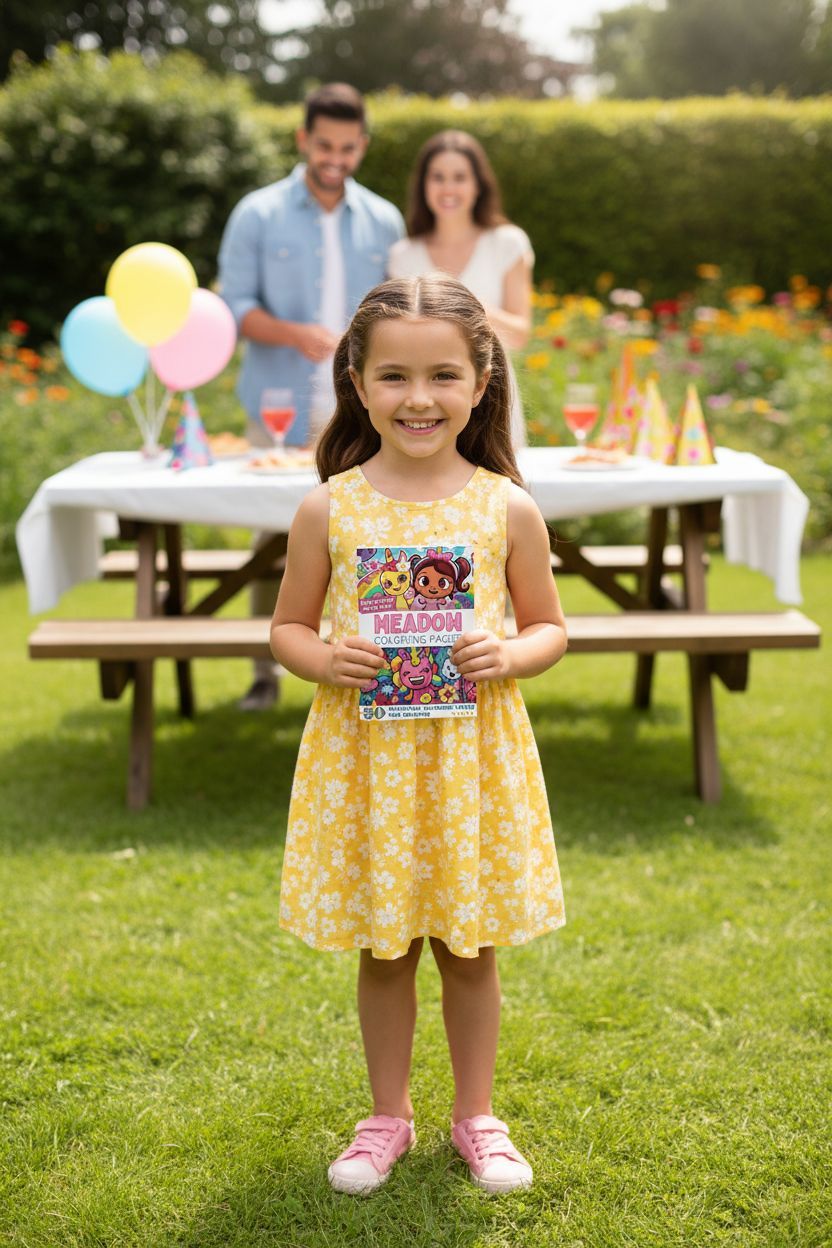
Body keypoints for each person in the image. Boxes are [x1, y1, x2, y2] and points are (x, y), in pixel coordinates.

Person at [271, 275, 567, 1197]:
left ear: (481, 381)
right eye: (394, 376)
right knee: (386, 945)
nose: (419, 398)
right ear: (357, 382)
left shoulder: (506, 507)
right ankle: (385, 1116)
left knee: (470, 947)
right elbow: (285, 628)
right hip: (370, 760)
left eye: (443, 375)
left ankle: (478, 1116)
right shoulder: (330, 506)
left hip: (468, 761)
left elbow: (550, 628)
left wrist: (508, 654)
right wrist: (325, 660)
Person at [218, 82, 404, 710]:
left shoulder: (384, 220)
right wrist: (293, 332)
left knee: (375, 531)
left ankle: (379, 669)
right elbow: (233, 309)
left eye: (348, 148)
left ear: (363, 147)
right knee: (271, 539)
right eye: (324, 145)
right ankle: (263, 676)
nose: (335, 158)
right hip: (280, 405)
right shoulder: (257, 213)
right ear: (303, 140)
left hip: (363, 405)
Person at [388, 130, 534, 448]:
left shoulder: (507, 243)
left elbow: (520, 333)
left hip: (490, 395)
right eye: (438, 177)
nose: (448, 188)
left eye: (459, 177)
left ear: (477, 184)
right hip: (425, 404)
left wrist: (462, 305)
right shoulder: (403, 254)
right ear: (424, 185)